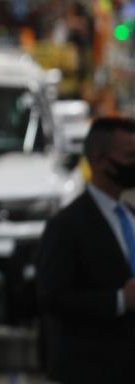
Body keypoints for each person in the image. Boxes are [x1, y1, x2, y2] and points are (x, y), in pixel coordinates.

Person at [36, 116, 135, 383]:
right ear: (101, 160)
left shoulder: (130, 217)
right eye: (130, 156)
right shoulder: (67, 226)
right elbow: (51, 297)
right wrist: (119, 300)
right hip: (91, 370)